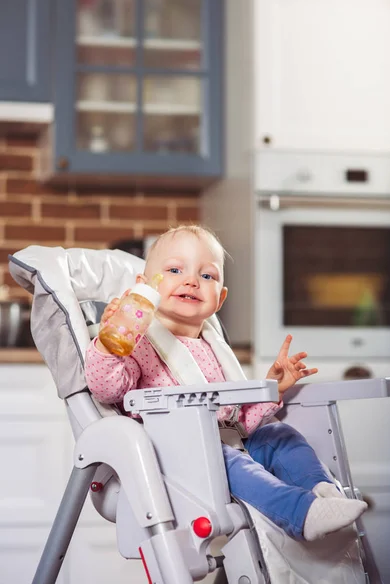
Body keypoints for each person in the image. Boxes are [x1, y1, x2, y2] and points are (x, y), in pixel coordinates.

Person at [85, 225, 367, 541]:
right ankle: (301, 513)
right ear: (143, 287)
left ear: (219, 299)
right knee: (225, 461)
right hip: (176, 455)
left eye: (207, 276)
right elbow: (107, 388)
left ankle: (323, 491)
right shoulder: (136, 340)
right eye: (175, 270)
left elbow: (238, 419)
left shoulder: (212, 346)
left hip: (229, 441)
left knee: (280, 435)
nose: (191, 280)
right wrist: (110, 343)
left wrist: (274, 385)